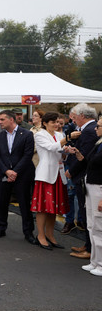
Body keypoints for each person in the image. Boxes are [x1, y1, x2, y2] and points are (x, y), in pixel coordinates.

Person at [0, 110, 37, 244]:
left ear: (11, 120)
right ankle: (1, 228)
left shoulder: (27, 134)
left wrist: (15, 171)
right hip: (4, 174)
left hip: (22, 174)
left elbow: (28, 155)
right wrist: (7, 171)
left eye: (2, 120)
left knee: (24, 204)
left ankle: (28, 232)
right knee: (2, 202)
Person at [31, 112, 69, 250]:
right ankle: (41, 235)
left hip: (58, 173)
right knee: (42, 208)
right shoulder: (40, 134)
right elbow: (52, 148)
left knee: (54, 208)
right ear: (45, 123)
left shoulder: (59, 135)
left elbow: (60, 153)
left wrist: (66, 151)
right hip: (45, 174)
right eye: (53, 122)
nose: (56, 125)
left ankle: (50, 235)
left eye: (57, 122)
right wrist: (67, 139)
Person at [65, 103, 99, 260]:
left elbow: (84, 156)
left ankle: (90, 248)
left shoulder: (90, 131)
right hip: (82, 176)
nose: (73, 119)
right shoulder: (82, 131)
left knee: (88, 214)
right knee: (86, 214)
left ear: (82, 116)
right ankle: (87, 245)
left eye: (75, 116)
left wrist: (71, 171)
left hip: (86, 178)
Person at [69, 116, 102, 275]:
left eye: (99, 126)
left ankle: (101, 264)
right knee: (91, 225)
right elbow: (87, 161)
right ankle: (94, 261)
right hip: (90, 186)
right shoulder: (98, 143)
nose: (96, 129)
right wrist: (77, 153)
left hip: (99, 188)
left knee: (99, 226)